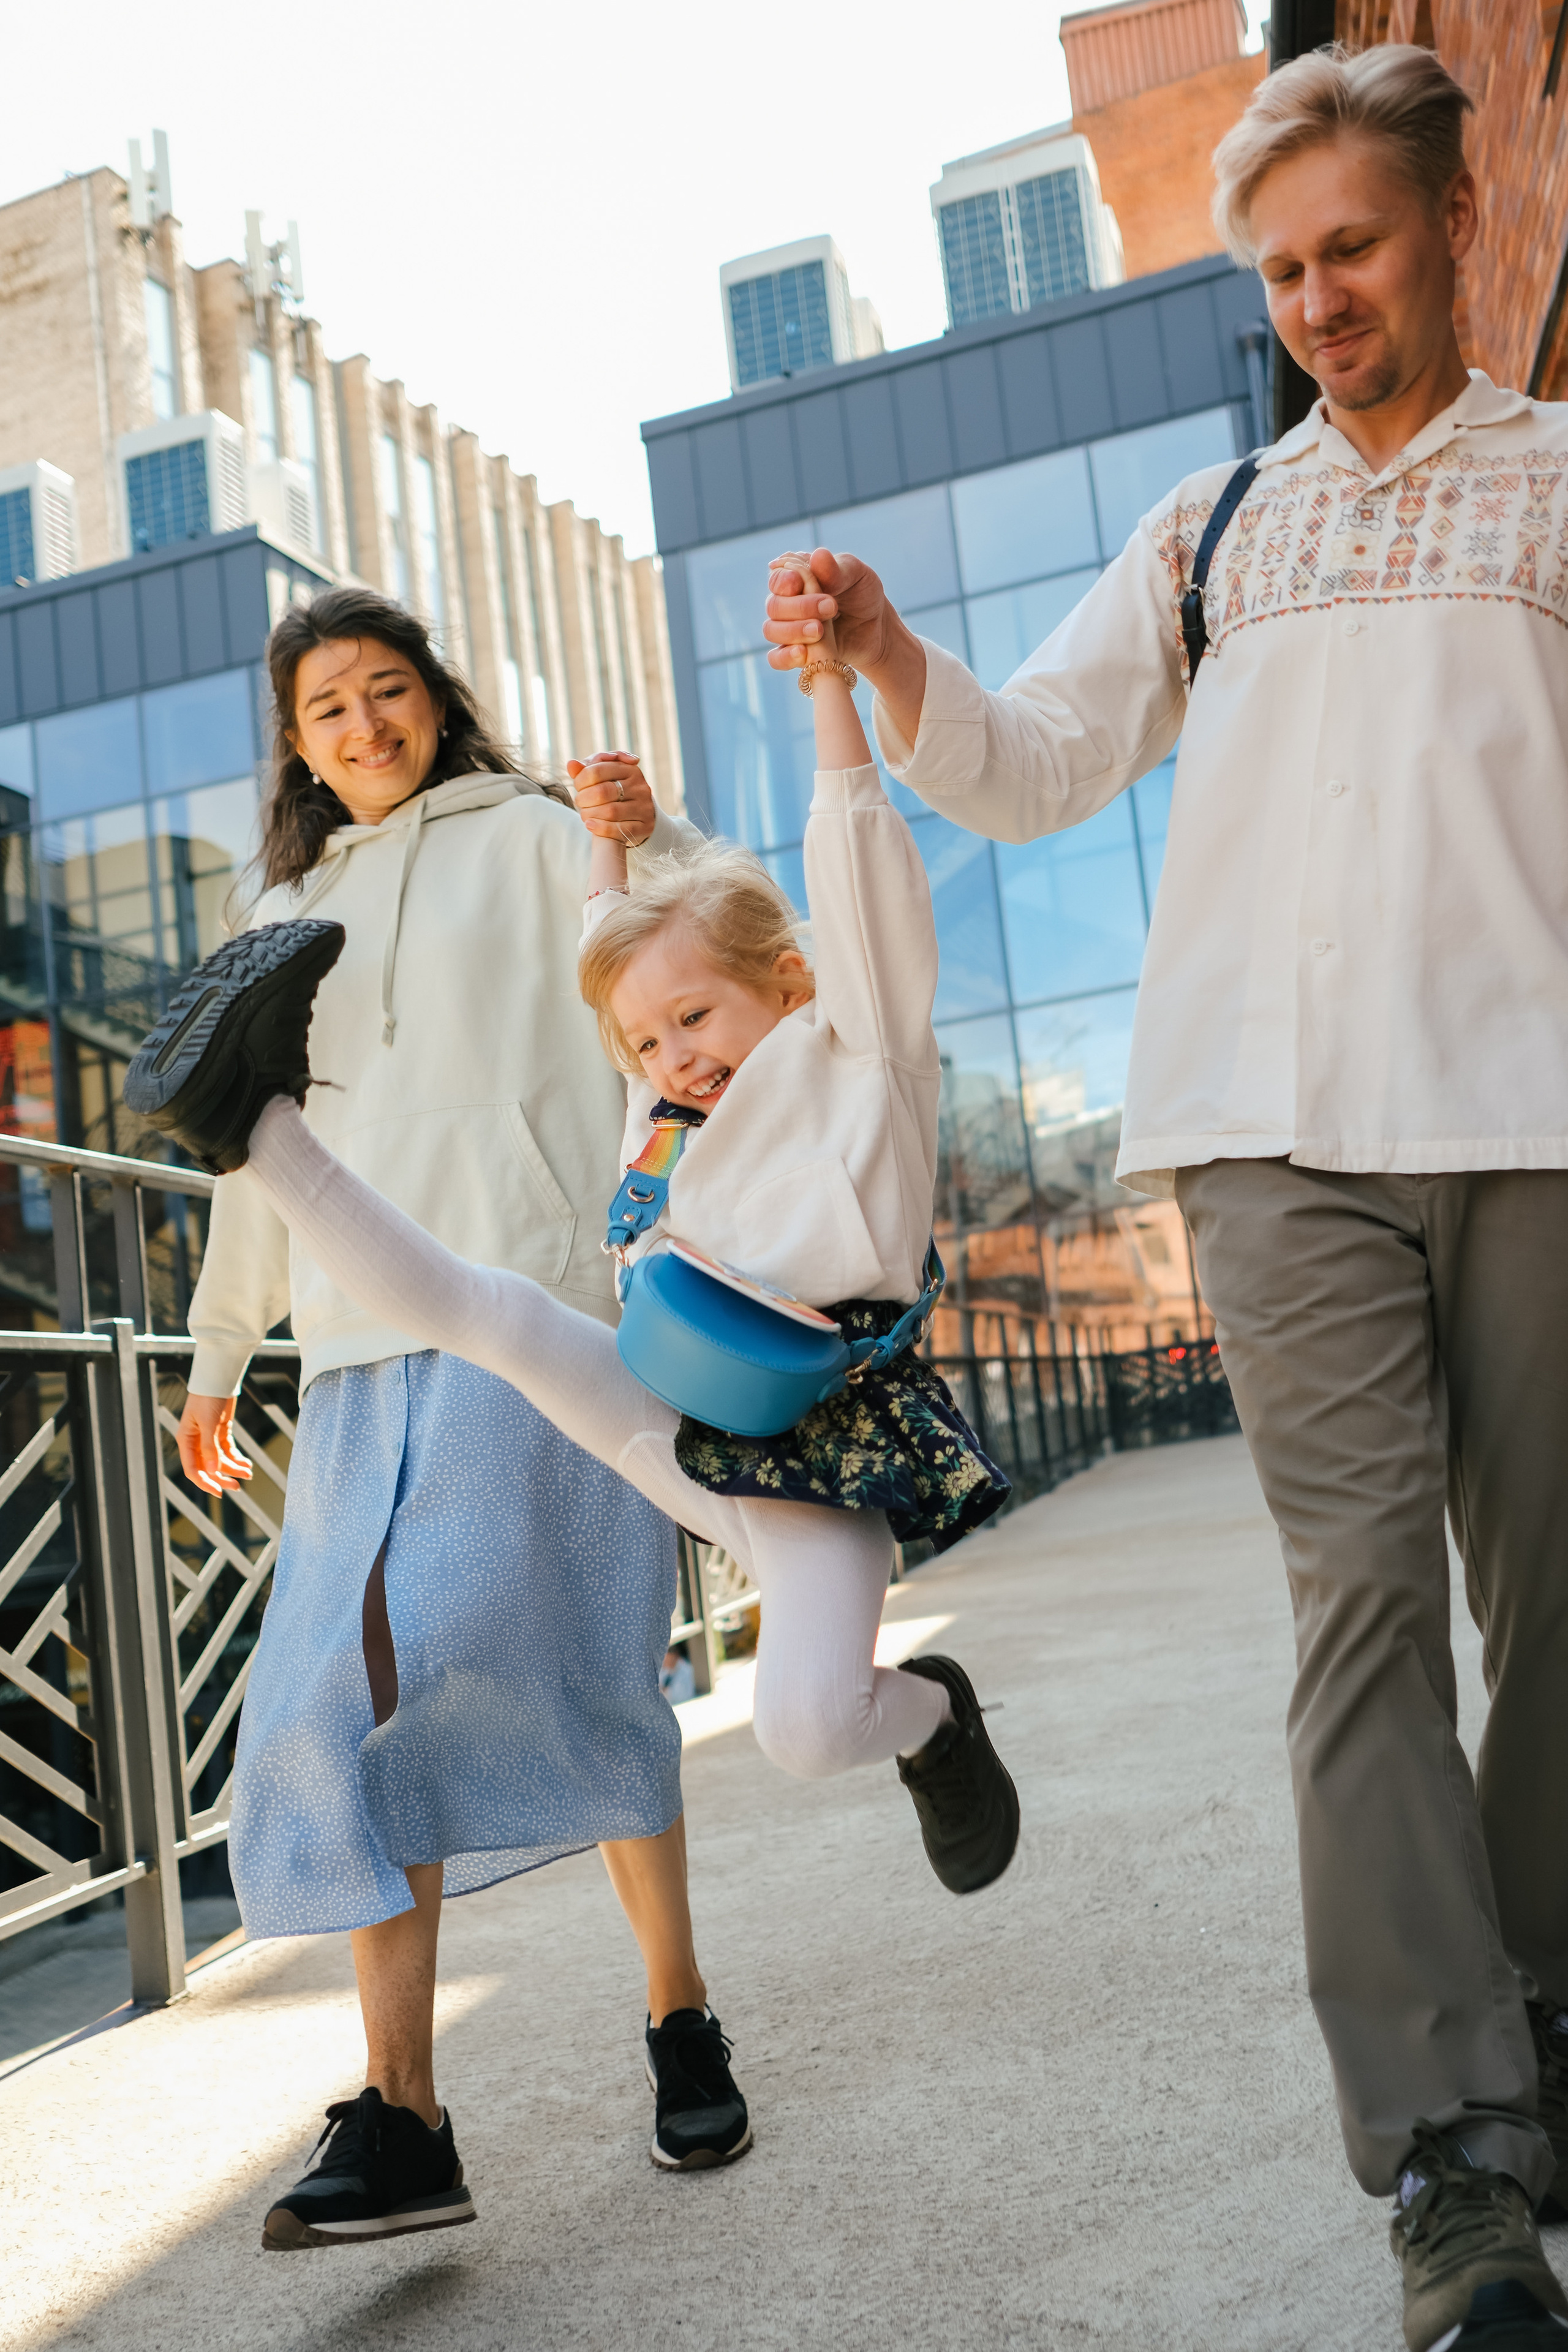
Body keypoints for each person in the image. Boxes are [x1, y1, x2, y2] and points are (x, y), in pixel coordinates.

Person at [763, 42, 1568, 2352]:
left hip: (1537, 1116)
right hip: (1272, 1135)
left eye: (1356, 246)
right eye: (1281, 267)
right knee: (1364, 1623)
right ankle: (1449, 2153)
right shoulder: (1211, 533)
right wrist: (898, 656)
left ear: (1450, 210)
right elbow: (1027, 765)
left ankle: (1540, 2019)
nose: (1320, 297)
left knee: (1567, 1614)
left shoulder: (1560, 487)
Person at [124, 576, 1020, 1939]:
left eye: (697, 1023)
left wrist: (828, 686)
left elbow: (831, 865)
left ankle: (926, 1716)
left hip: (819, 1436)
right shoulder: (656, 1110)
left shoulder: (857, 1057)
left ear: (786, 982)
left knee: (806, 1727)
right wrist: (224, 1340)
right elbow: (622, 973)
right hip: (665, 1392)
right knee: (485, 1312)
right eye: (649, 1043)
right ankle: (248, 1119)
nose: (675, 1055)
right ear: (294, 744)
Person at [165, 586, 750, 2251]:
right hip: (355, 1352)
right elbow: (246, 1143)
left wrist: (643, 828)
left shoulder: (544, 830)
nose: (364, 726)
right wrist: (221, 1352)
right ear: (295, 742)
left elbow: (689, 962)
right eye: (328, 707)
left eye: (389, 691)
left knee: (570, 1663)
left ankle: (678, 2011)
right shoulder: (273, 901)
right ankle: (405, 2109)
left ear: (438, 700)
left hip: (537, 1319)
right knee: (342, 1695)